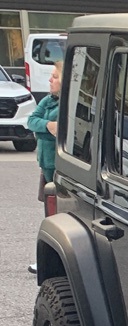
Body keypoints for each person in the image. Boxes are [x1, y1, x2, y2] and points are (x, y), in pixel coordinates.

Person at [27, 60, 60, 273]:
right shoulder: (48, 101)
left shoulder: (69, 104)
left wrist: (43, 130)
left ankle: (55, 261)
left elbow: (63, 131)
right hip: (46, 167)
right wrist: (47, 126)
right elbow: (31, 122)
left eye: (55, 76)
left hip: (61, 169)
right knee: (50, 216)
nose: (50, 80)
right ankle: (48, 259)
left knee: (60, 218)